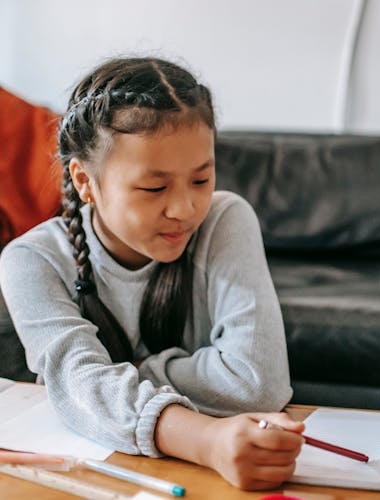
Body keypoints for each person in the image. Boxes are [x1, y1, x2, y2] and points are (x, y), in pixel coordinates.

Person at [0, 57, 304, 490]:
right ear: (85, 181)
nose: (184, 210)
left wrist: (121, 373)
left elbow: (258, 385)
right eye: (154, 188)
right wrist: (205, 439)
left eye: (201, 180)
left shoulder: (226, 219)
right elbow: (77, 384)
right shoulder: (31, 260)